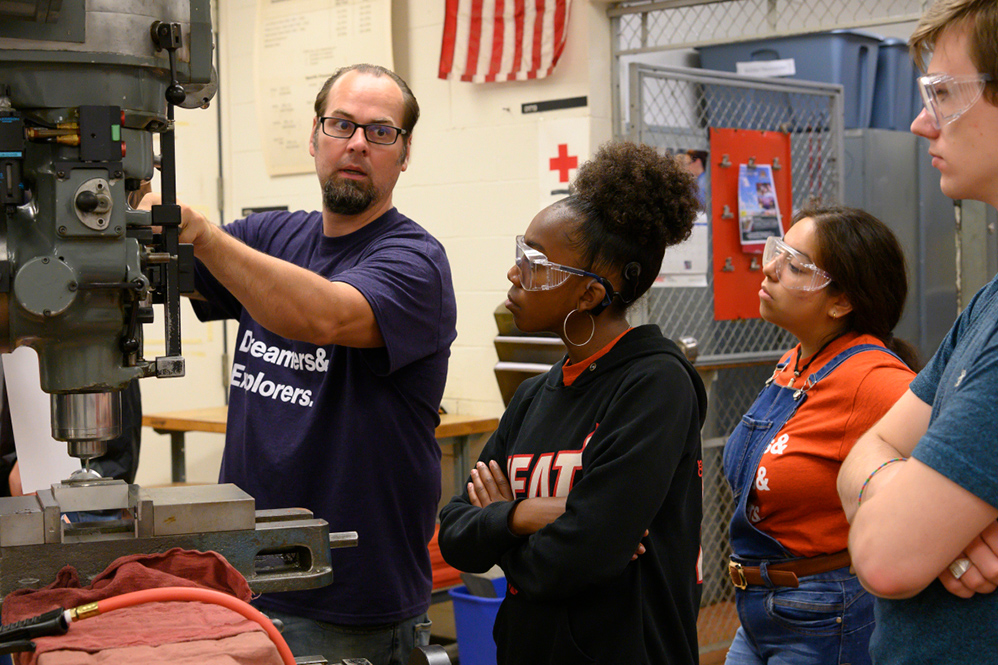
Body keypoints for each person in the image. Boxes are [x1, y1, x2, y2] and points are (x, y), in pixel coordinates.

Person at [145, 64, 457, 665]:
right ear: (315, 137)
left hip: (348, 607)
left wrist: (202, 234)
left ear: (404, 154)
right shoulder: (273, 236)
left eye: (381, 132)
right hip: (246, 583)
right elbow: (162, 266)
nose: (358, 143)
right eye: (341, 124)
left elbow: (324, 316)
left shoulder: (415, 261)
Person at [438, 141, 707, 665]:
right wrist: (521, 517)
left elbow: (581, 558)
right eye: (521, 253)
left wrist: (499, 525)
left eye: (535, 262)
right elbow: (453, 532)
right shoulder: (537, 394)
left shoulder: (656, 384)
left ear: (588, 296)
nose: (515, 274)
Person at [836, 2, 998, 662]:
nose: (920, 121)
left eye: (944, 94)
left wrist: (909, 516)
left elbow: (886, 555)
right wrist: (908, 498)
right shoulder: (987, 304)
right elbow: (861, 455)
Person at [722, 206, 919, 665]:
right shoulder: (795, 362)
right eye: (778, 252)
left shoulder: (876, 378)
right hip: (759, 611)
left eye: (794, 264)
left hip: (824, 614)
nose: (769, 268)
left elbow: (956, 467)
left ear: (841, 302)